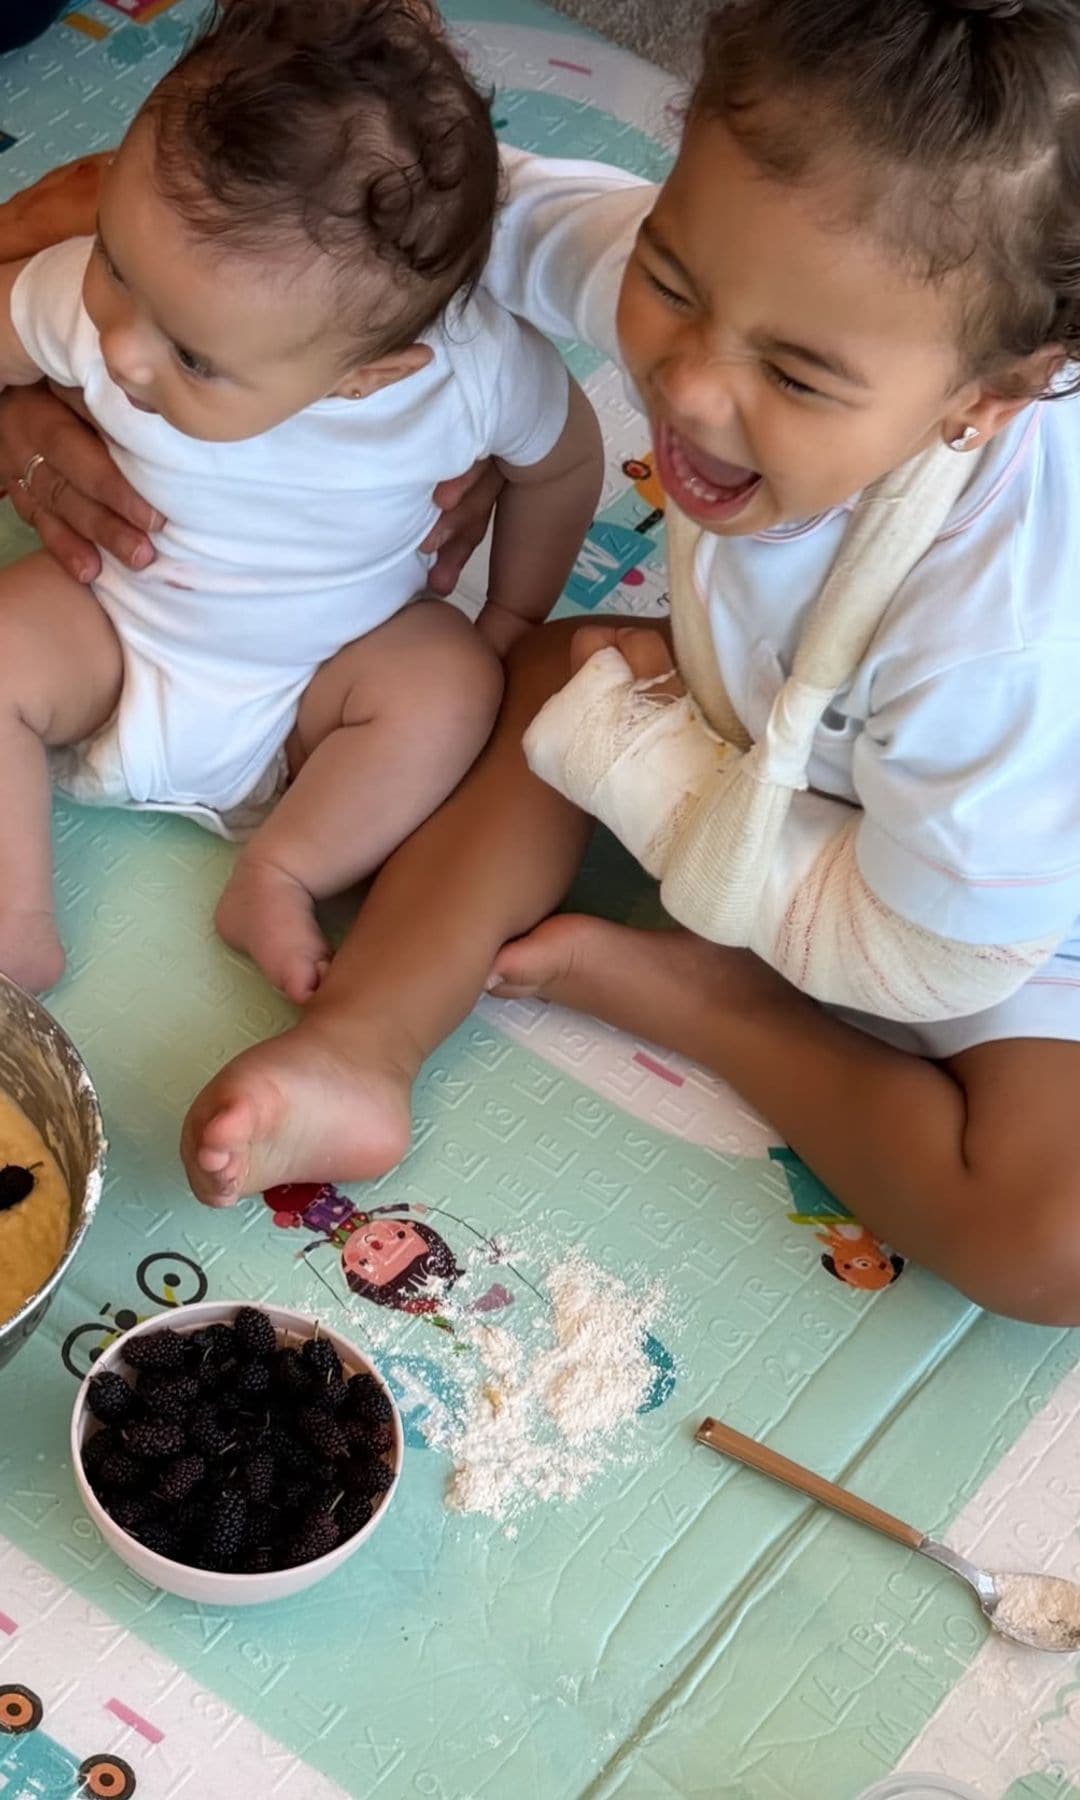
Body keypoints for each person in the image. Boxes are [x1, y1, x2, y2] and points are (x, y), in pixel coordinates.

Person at [6, 0, 1080, 1325]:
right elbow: (384, 205)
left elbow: (930, 959)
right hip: (774, 727)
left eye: (797, 380)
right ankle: (361, 1045)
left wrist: (652, 776)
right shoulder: (756, 276)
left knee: (1049, 1244)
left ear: (987, 398)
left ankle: (705, 997)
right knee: (535, 678)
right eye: (670, 283)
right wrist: (128, 261)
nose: (688, 389)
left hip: (980, 911)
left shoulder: (1005, 644)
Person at [0, 0, 601, 1000]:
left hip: (320, 692)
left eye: (194, 357)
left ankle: (281, 875)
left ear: (366, 378)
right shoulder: (96, 307)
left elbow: (566, 464)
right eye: (113, 258)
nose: (121, 349)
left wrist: (511, 617)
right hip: (110, 632)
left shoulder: (469, 377)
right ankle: (14, 923)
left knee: (450, 683)